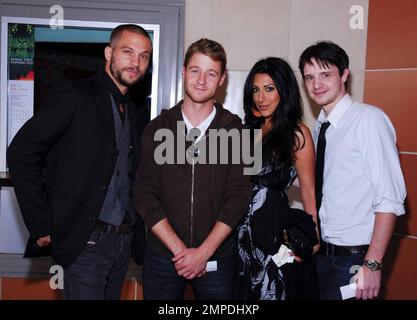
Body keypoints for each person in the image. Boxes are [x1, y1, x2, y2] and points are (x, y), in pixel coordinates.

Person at [6, 24, 152, 299]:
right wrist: (42, 223)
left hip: (122, 241)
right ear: (109, 53)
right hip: (86, 242)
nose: (136, 62)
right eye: (128, 52)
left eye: (144, 56)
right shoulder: (75, 94)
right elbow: (21, 152)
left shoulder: (132, 110)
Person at [135, 38, 252, 300]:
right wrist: (179, 250)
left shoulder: (240, 133)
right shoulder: (156, 129)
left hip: (217, 259)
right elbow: (143, 192)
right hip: (162, 257)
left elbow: (241, 196)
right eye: (195, 70)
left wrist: (203, 253)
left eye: (211, 73)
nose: (201, 80)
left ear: (222, 79)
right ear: (184, 72)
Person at [298, 41, 406, 300]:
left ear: (344, 74)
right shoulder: (321, 127)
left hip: (353, 259)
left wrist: (372, 264)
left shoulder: (369, 120)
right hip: (323, 256)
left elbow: (390, 199)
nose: (317, 85)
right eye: (309, 78)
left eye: (325, 74)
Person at [236, 57, 319, 300]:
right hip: (240, 234)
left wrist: (313, 240)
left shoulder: (297, 133)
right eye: (255, 90)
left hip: (273, 235)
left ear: (284, 91)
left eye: (269, 89)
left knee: (272, 291)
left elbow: (308, 191)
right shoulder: (248, 130)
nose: (260, 98)